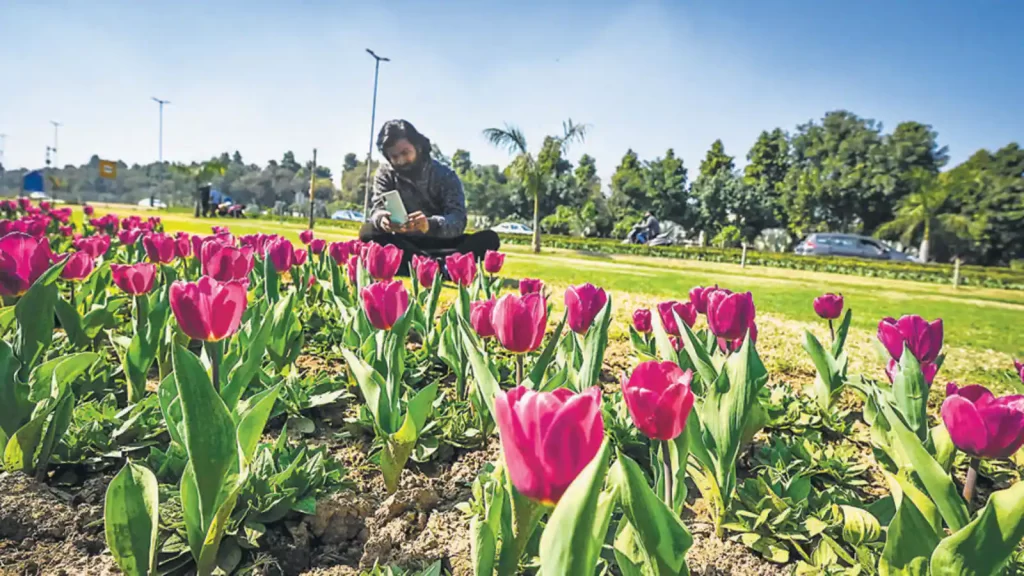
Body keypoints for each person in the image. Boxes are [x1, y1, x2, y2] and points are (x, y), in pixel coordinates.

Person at [360, 119, 500, 275]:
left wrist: (430, 225)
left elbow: (458, 219)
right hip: (404, 242)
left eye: (405, 153)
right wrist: (382, 220)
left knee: (489, 239)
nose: (400, 160)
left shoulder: (445, 175)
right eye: (394, 156)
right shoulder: (385, 174)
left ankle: (426, 265)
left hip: (444, 243)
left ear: (418, 147)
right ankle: (436, 266)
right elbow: (377, 208)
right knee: (368, 231)